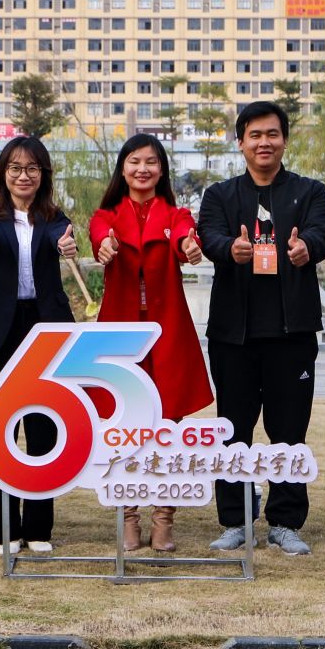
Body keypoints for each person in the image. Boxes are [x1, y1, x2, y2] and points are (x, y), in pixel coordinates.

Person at [196, 101, 325, 556]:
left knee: (289, 431)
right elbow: (209, 236)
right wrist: (229, 249)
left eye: (272, 134)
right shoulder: (220, 195)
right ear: (240, 142)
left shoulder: (309, 191)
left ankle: (285, 522)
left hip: (291, 335)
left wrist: (306, 248)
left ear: (284, 140)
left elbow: (322, 233)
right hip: (233, 336)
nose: (264, 143)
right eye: (254, 135)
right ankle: (235, 521)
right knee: (232, 431)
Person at [87, 132, 210, 552]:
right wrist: (105, 247)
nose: (143, 169)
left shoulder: (177, 214)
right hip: (121, 337)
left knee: (168, 428)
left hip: (167, 334)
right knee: (122, 427)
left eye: (151, 162)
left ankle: (164, 519)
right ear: (122, 169)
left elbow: (185, 236)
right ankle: (128, 517)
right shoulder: (105, 215)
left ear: (162, 170)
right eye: (135, 161)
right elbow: (100, 236)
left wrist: (190, 246)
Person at [0, 135, 78, 554]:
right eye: (15, 168)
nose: (23, 176)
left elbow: (59, 239)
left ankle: (38, 528)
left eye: (32, 168)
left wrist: (66, 245)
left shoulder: (55, 218)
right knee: (1, 429)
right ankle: (6, 529)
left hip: (45, 328)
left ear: (43, 175)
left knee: (44, 429)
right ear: (3, 174)